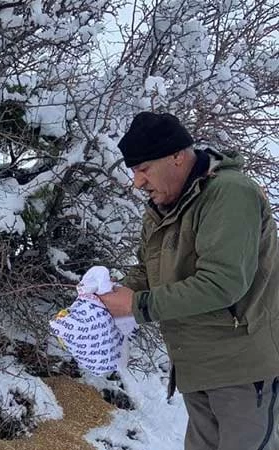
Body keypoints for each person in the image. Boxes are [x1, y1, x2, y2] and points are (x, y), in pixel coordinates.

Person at [99, 111, 279, 450]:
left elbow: (223, 283)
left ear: (177, 157)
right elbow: (148, 270)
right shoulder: (163, 204)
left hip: (244, 371)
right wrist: (116, 293)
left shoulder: (229, 194)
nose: (138, 182)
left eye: (143, 169)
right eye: (134, 171)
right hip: (197, 368)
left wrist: (138, 305)